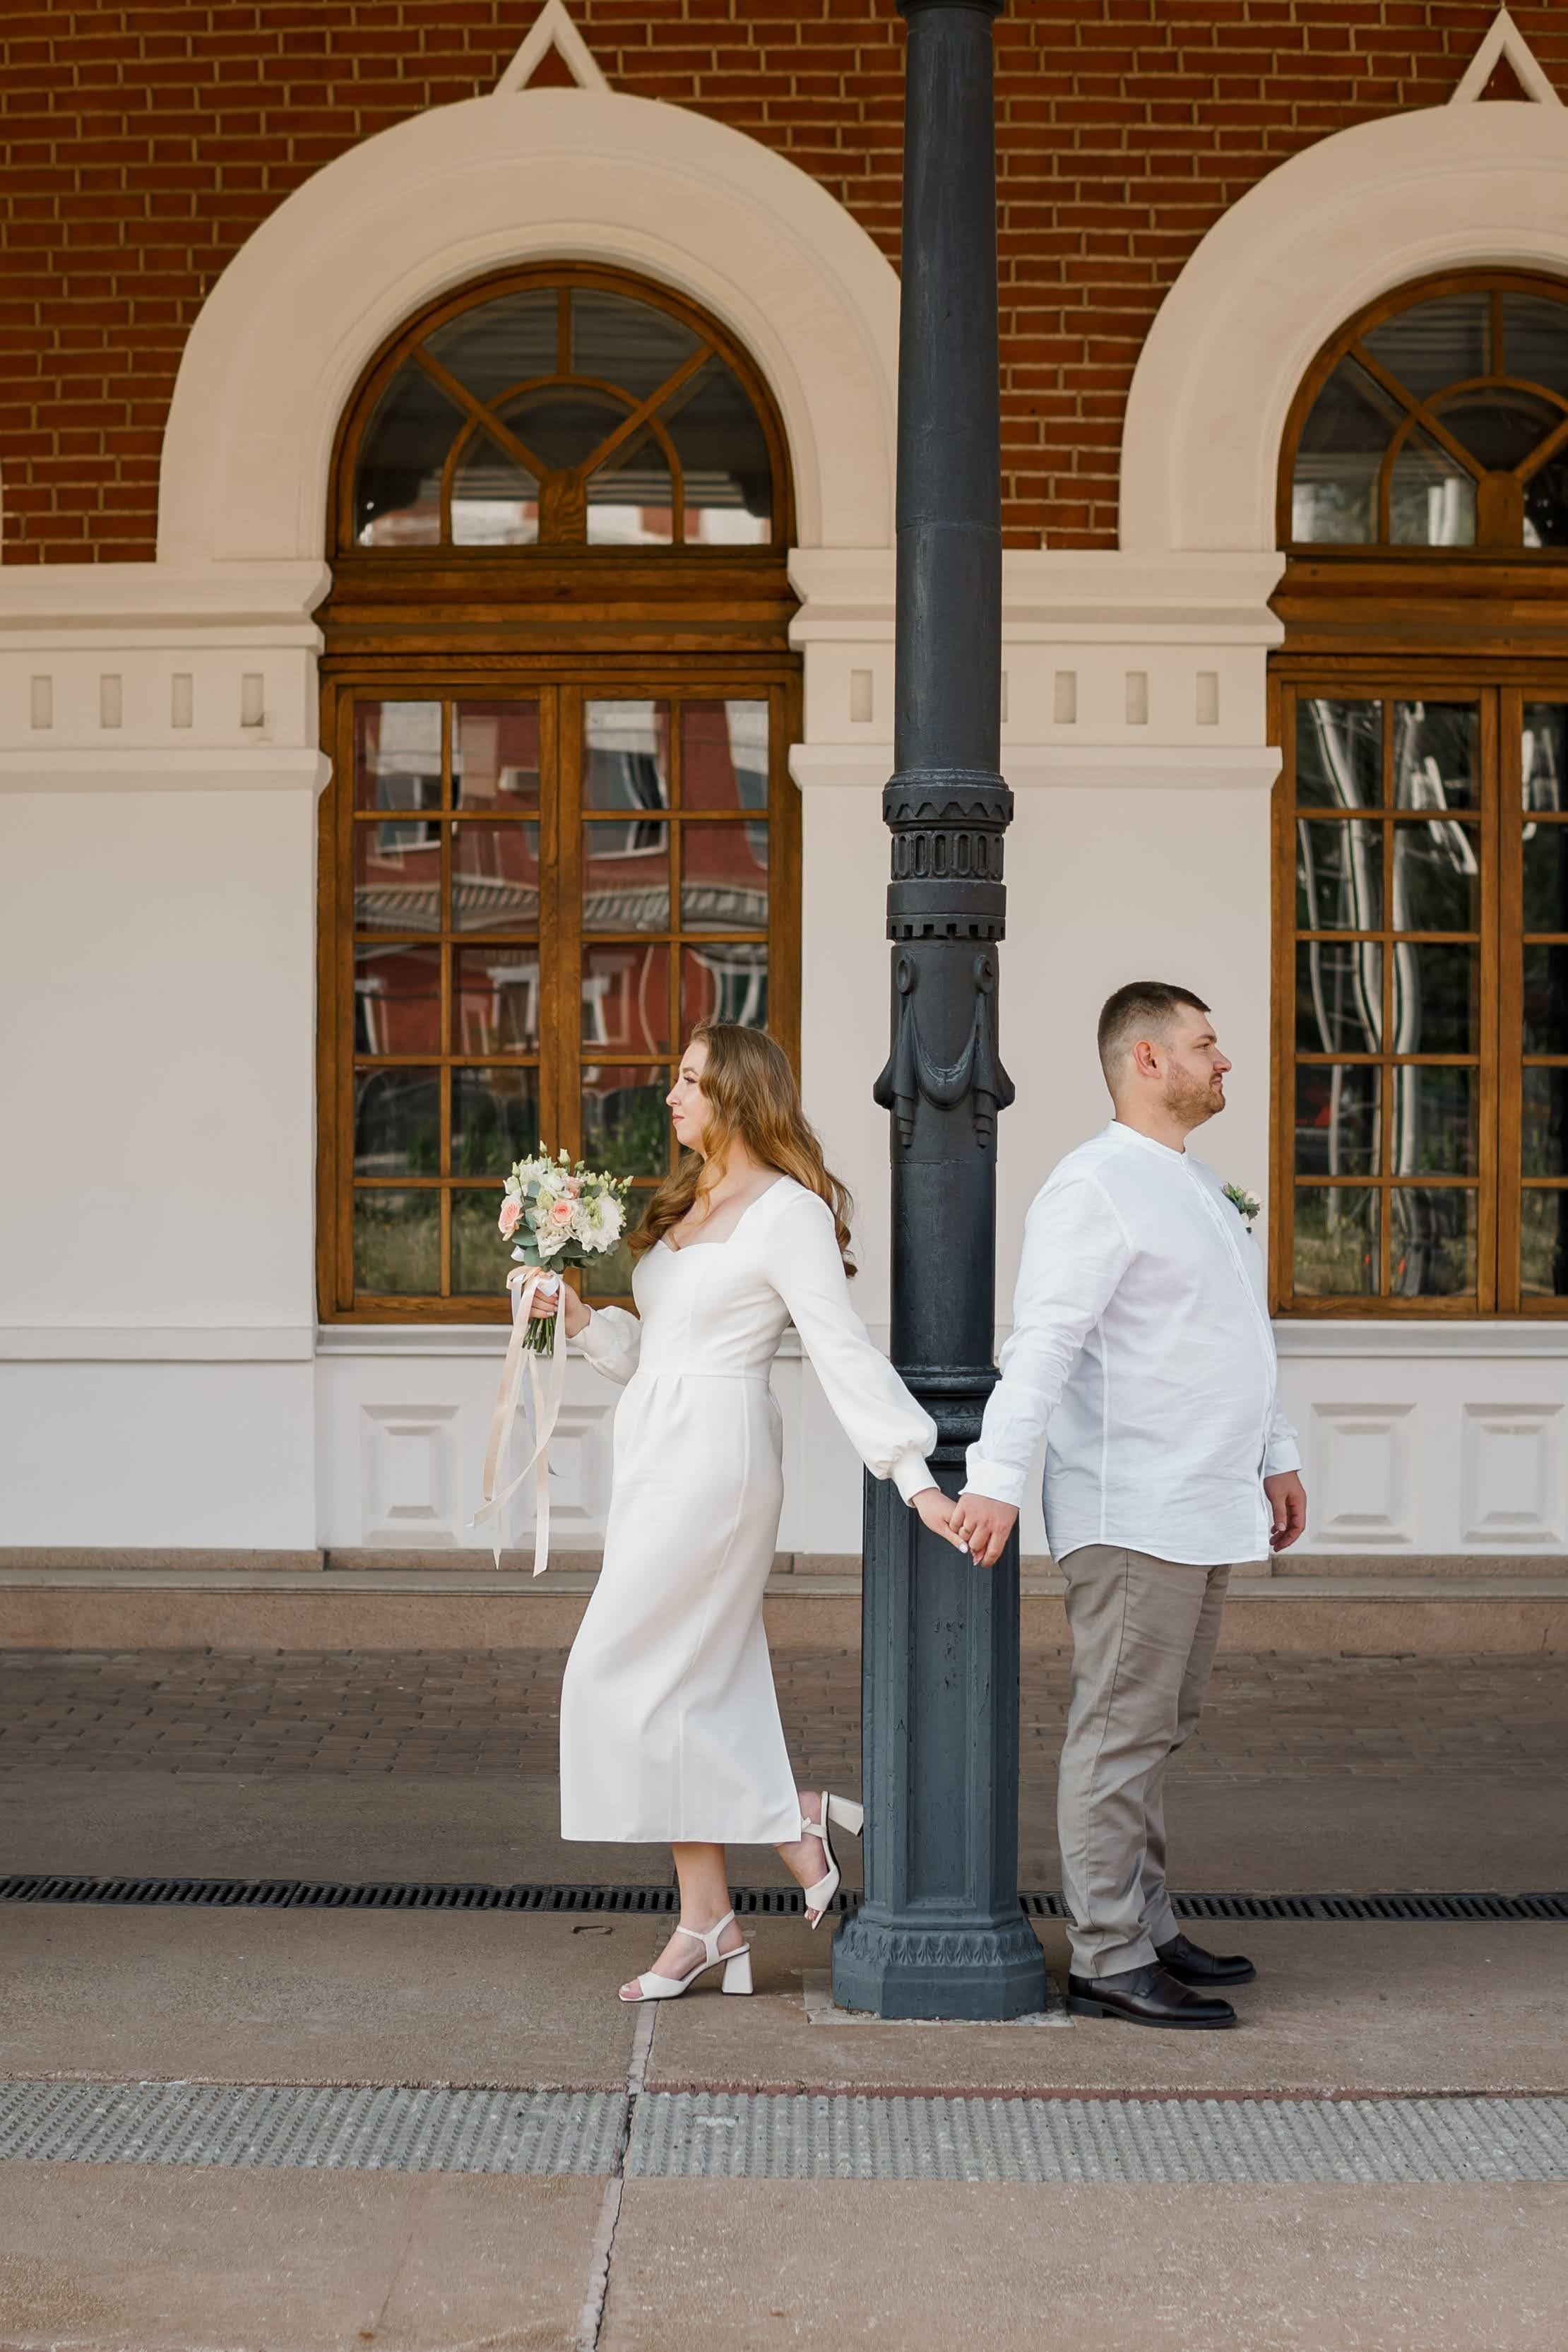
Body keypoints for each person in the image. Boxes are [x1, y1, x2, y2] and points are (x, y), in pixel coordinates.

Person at [542, 1022, 965, 2005]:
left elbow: (840, 1348)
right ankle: (709, 1916)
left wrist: (915, 1474)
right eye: (676, 1079)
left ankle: (790, 1818)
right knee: (695, 1685)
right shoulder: (690, 1199)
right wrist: (575, 1317)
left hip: (718, 1462)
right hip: (655, 1451)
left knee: (616, 1672)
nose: (672, 1095)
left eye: (691, 1080)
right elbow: (654, 1348)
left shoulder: (787, 1212)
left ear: (739, 1092)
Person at [950, 982, 1307, 2031]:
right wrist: (997, 1479)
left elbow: (1237, 1334)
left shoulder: (1195, 1187)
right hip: (1135, 1502)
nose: (1224, 1060)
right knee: (1119, 1730)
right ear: (1147, 1060)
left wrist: (1275, 1455)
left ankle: (1147, 1921)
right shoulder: (1094, 1186)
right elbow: (1044, 1342)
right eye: (1206, 1044)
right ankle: (1108, 1953)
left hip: (1203, 1497)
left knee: (1161, 1726)